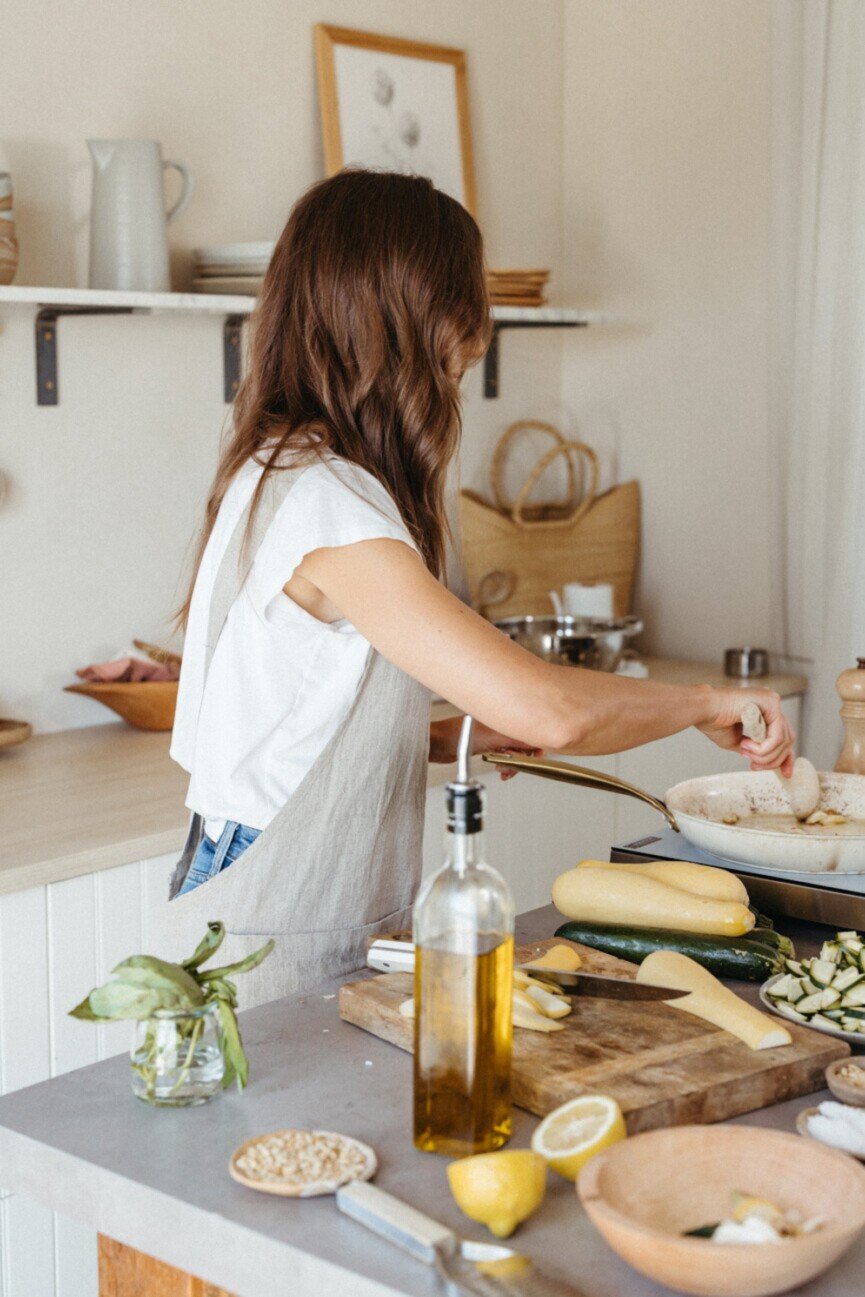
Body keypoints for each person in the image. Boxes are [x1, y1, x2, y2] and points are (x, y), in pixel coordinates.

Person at [165, 169, 794, 1004]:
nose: (459, 373)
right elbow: (554, 710)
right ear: (405, 326)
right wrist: (705, 704)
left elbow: (288, 726)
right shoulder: (329, 505)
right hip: (275, 907)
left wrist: (457, 732)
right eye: (454, 356)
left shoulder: (278, 466)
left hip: (254, 874)